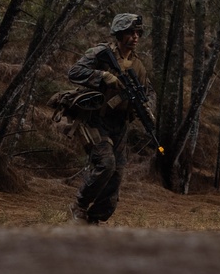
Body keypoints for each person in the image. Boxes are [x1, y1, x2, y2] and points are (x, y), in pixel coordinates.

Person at [65, 12, 155, 225]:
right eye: (130, 32)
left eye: (137, 33)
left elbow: (149, 91)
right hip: (96, 119)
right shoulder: (101, 53)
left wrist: (149, 108)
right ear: (119, 33)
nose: (135, 37)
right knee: (106, 164)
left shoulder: (138, 65)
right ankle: (79, 206)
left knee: (117, 174)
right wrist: (102, 76)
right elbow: (74, 72)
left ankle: (94, 219)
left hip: (119, 123)